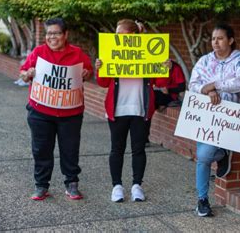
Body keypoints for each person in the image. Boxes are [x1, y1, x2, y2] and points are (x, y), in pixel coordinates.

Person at [20, 18, 93, 201]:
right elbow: (23, 71)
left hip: (70, 114)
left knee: (70, 150)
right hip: (40, 113)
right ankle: (41, 186)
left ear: (65, 34)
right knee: (41, 150)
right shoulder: (38, 52)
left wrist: (87, 73)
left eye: (56, 33)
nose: (52, 37)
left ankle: (71, 184)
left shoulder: (77, 53)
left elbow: (88, 71)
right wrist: (27, 74)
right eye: (49, 34)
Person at [189, 23, 240, 217]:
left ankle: (222, 154)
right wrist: (207, 90)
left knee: (205, 155)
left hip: (229, 116)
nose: (215, 42)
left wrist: (214, 84)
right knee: (204, 156)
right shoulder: (205, 61)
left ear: (230, 40)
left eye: (220, 38)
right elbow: (193, 84)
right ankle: (202, 199)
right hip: (206, 114)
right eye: (213, 39)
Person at [95, 19, 156, 203]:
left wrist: (164, 67)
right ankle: (117, 186)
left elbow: (159, 82)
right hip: (117, 108)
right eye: (116, 35)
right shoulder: (111, 52)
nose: (117, 38)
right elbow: (103, 82)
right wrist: (100, 68)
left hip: (140, 108)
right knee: (117, 149)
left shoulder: (147, 52)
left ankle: (137, 185)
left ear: (132, 36)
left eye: (120, 35)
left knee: (138, 149)